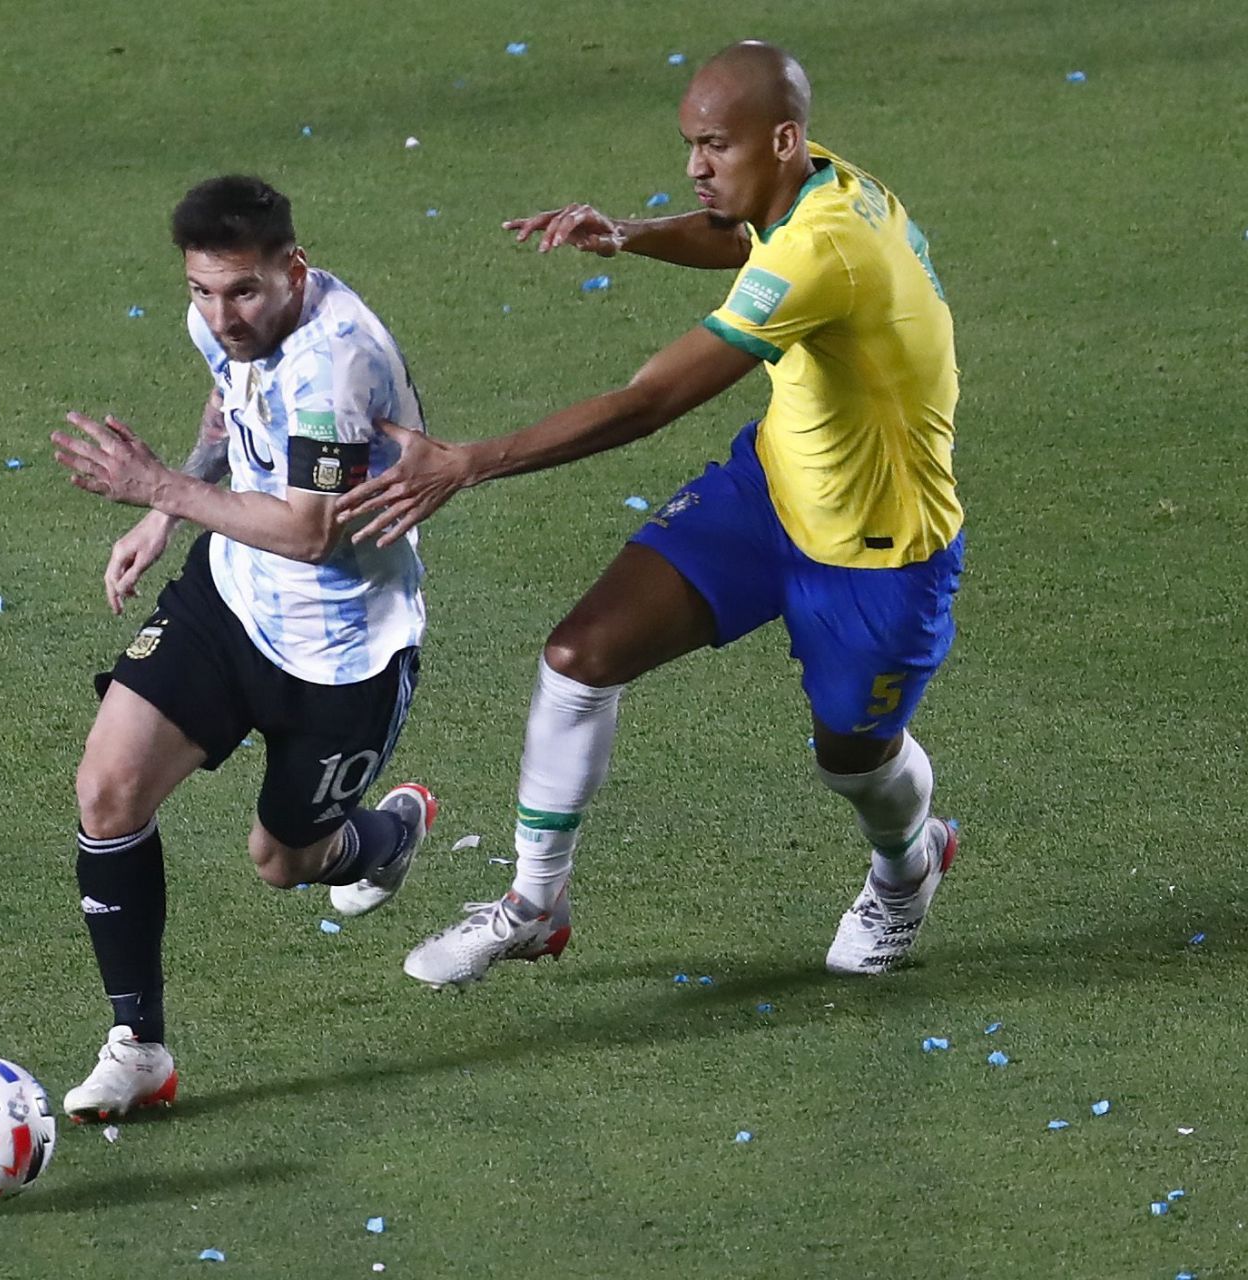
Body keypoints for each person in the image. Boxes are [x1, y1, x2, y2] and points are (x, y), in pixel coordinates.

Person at [336, 41, 966, 988]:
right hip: (775, 487)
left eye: (714, 146)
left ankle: (908, 865)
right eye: (690, 144)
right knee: (580, 655)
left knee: (854, 757)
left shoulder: (826, 250)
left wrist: (468, 463)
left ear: (783, 138)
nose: (695, 167)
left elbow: (648, 403)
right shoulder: (810, 184)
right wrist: (630, 234)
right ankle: (535, 902)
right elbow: (738, 236)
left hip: (879, 550)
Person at [48, 175, 436, 1119]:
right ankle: (137, 1045)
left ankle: (384, 837)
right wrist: (167, 505)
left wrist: (161, 494)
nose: (222, 317)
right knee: (106, 788)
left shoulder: (336, 367)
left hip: (343, 657)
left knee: (283, 861)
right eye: (202, 292)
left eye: (244, 292)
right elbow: (229, 410)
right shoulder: (227, 326)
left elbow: (310, 532)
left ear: (293, 269)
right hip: (230, 600)